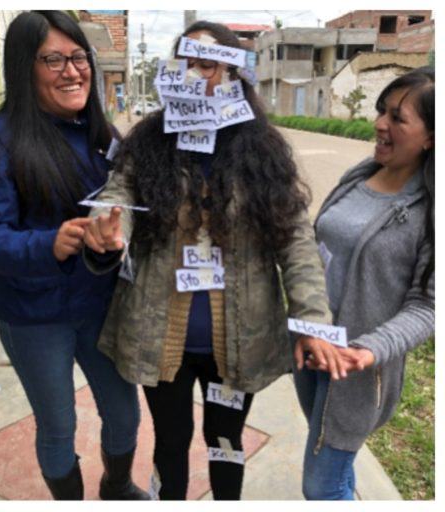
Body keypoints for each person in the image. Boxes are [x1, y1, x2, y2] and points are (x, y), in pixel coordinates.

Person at [81, 21, 338, 500]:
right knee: (171, 441)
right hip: (162, 341)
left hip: (239, 342)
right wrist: (109, 226)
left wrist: (312, 320)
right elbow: (119, 194)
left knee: (225, 441)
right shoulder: (149, 141)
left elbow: (296, 240)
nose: (195, 76)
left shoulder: (261, 150)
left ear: (233, 73)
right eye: (186, 64)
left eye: (208, 64)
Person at [0, 11, 147, 500]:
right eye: (54, 60)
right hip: (34, 315)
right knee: (58, 426)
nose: (72, 70)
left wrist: (114, 237)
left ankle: (118, 485)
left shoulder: (102, 134)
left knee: (125, 413)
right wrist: (49, 243)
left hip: (101, 307)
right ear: (25, 68)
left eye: (79, 57)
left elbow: (126, 209)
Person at [296, 67, 434, 500]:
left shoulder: (430, 211)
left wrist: (370, 349)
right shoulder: (360, 173)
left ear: (431, 137)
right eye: (381, 112)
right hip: (312, 350)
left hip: (357, 371)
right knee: (336, 472)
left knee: (320, 486)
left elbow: (430, 305)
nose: (380, 123)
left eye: (397, 117)